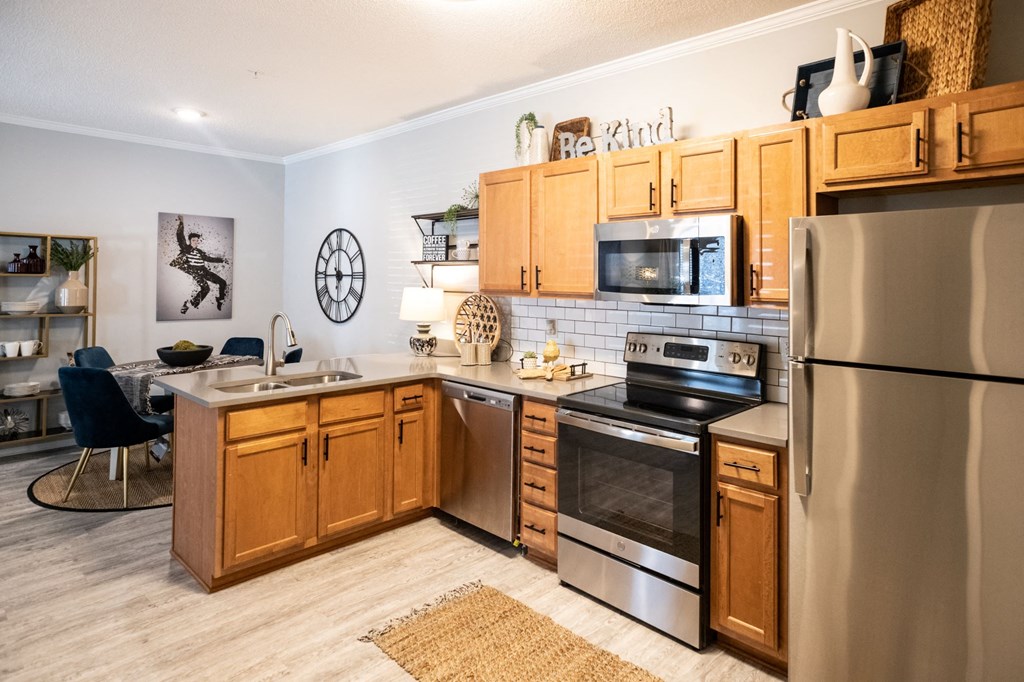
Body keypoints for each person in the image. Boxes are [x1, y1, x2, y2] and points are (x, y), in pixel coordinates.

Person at [169, 215, 228, 314]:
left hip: (204, 271)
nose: (196, 242)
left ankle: (220, 300)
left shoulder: (200, 251)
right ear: (190, 241)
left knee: (223, 283)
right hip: (196, 272)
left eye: (197, 240)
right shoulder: (186, 248)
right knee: (206, 288)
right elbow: (180, 237)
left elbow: (209, 258)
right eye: (193, 240)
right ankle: (188, 304)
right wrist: (181, 224)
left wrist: (222, 260)